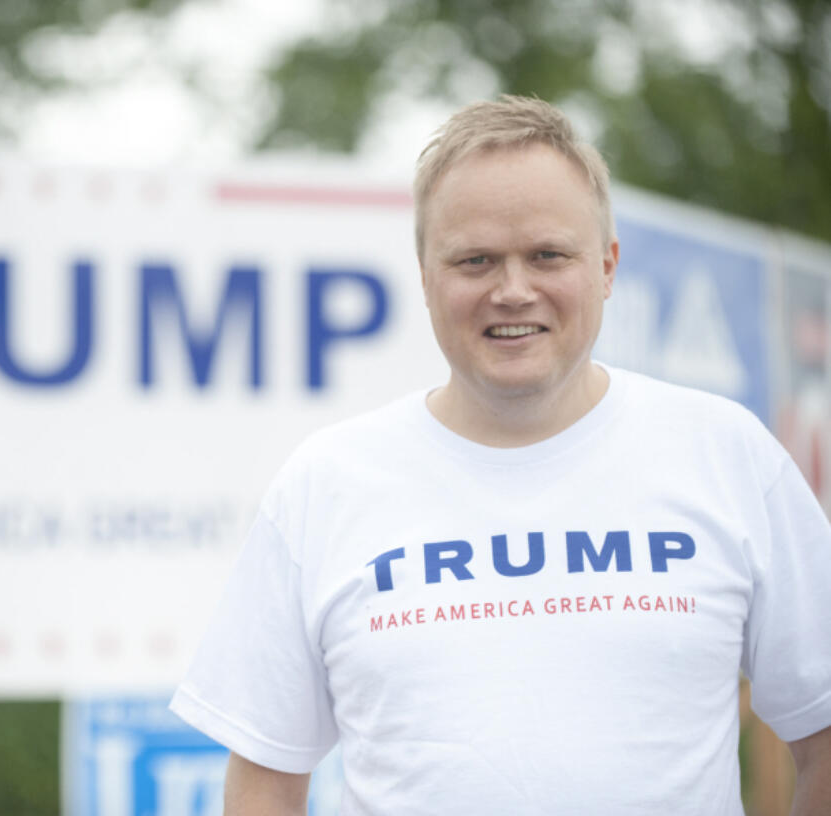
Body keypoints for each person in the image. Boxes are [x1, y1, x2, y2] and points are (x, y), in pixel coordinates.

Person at [169, 95, 831, 814]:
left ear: (607, 266)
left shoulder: (726, 455)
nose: (513, 291)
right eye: (475, 260)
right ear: (426, 278)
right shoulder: (326, 484)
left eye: (548, 255)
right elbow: (263, 783)